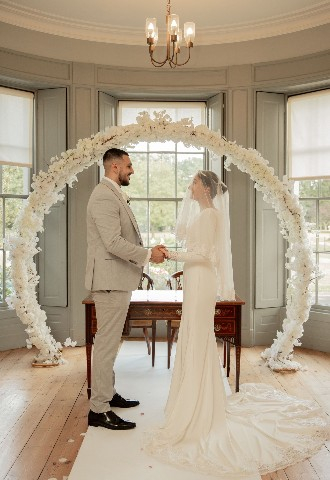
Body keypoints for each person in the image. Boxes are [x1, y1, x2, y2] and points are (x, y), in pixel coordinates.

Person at [143, 171, 329, 478]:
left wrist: (168, 253)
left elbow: (202, 254)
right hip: (197, 278)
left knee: (198, 336)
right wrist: (171, 251)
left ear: (204, 188)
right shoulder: (208, 214)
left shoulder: (209, 216)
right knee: (194, 335)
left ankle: (198, 410)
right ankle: (194, 403)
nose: (188, 188)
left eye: (192, 183)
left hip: (200, 278)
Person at [85, 148, 165, 431]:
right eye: (129, 166)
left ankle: (107, 394)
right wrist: (147, 255)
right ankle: (99, 409)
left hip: (116, 280)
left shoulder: (112, 193)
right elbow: (113, 243)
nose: (132, 170)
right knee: (106, 345)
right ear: (115, 166)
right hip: (109, 281)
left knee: (110, 343)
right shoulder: (104, 195)